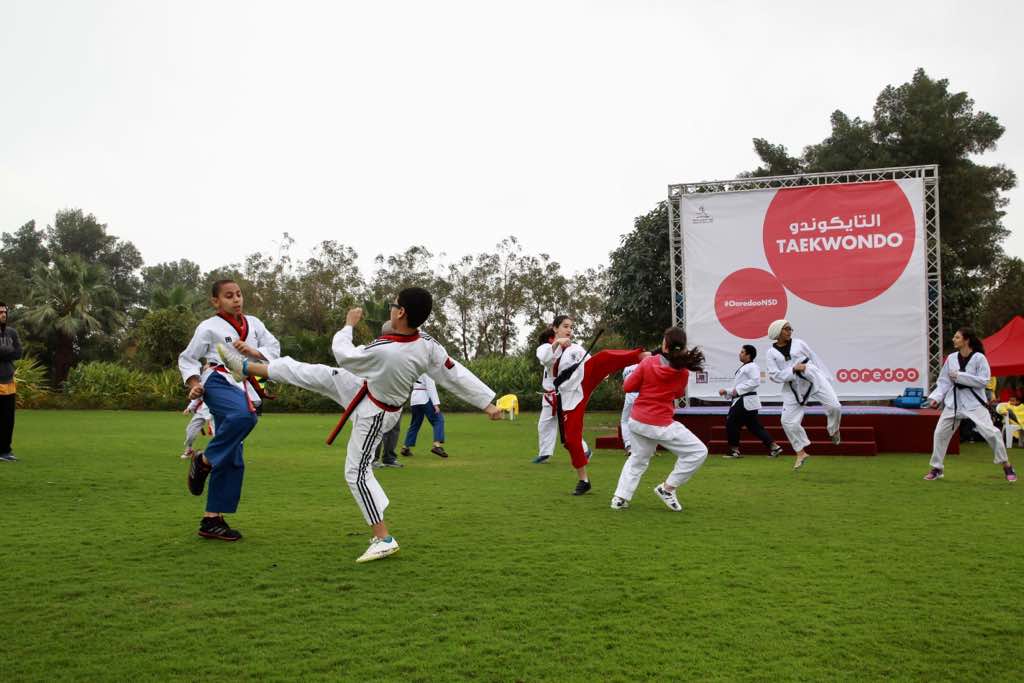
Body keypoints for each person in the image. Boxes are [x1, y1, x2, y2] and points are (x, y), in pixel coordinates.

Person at [219, 287, 503, 563]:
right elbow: (455, 373)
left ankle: (383, 539)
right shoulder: (427, 344)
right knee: (312, 372)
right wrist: (487, 403)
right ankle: (245, 369)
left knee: (356, 473)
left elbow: (345, 354)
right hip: (365, 389)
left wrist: (348, 325)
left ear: (401, 312)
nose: (390, 309)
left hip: (375, 412)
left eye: (393, 305)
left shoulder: (387, 350)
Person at [178, 280, 280, 541]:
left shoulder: (255, 323)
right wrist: (194, 383)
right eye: (228, 296)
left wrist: (254, 350)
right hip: (217, 380)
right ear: (215, 301)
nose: (236, 300)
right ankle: (203, 460)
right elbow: (188, 358)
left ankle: (212, 520)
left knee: (233, 454)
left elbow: (274, 349)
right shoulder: (208, 327)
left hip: (246, 384)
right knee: (244, 417)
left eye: (238, 294)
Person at [610, 327, 708, 511]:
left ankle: (620, 498)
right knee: (698, 452)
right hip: (660, 424)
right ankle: (667, 488)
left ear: (665, 346)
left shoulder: (648, 363)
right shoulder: (682, 372)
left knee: (637, 459)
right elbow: (678, 393)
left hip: (638, 422)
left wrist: (645, 371)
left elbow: (628, 386)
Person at [548, 315, 646, 495]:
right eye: (565, 326)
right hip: (567, 397)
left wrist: (603, 372)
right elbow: (544, 358)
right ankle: (584, 480)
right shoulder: (546, 349)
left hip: (584, 382)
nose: (569, 330)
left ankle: (642, 355)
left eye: (571, 327)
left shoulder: (576, 348)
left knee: (604, 357)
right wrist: (556, 344)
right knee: (571, 440)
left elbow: (590, 362)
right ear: (555, 328)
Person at [924, 327, 1016, 482]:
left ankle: (1006, 465)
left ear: (966, 340)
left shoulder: (979, 358)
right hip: (954, 403)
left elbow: (984, 380)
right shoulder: (951, 358)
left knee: (992, 433)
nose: (954, 339)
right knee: (940, 434)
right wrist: (936, 398)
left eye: (957, 337)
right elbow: (944, 381)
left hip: (974, 403)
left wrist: (960, 376)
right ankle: (937, 468)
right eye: (954, 337)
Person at [765, 320, 842, 470]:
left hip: (813, 377)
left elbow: (815, 358)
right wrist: (793, 369)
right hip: (792, 386)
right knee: (787, 421)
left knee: (835, 406)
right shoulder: (771, 353)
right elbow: (774, 376)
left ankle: (834, 430)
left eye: (790, 328)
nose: (790, 331)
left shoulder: (799, 343)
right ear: (778, 332)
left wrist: (825, 377)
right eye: (787, 329)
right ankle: (800, 452)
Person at [719, 345, 783, 459]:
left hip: (745, 400)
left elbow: (755, 381)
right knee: (755, 427)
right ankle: (774, 447)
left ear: (748, 355)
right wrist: (728, 392)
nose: (740, 353)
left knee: (731, 422)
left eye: (742, 352)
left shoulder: (752, 366)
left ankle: (734, 450)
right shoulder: (746, 367)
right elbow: (739, 387)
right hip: (747, 401)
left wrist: (733, 391)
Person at [401, 373, 448, 458]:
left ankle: (405, 447)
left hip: (414, 398)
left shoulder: (415, 368)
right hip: (424, 396)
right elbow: (431, 387)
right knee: (438, 420)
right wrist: (436, 404)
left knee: (415, 424)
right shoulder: (427, 370)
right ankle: (437, 445)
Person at [532, 326, 559, 464]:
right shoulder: (545, 348)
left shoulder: (567, 350)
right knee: (545, 425)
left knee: (568, 426)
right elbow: (545, 358)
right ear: (551, 339)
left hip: (562, 394)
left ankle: (584, 450)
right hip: (550, 395)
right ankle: (545, 453)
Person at [0, 302, 23, 462]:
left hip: (8, 382)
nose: (3, 314)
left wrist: (4, 355)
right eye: (0, 312)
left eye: (5, 312)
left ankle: (5, 451)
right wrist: (8, 353)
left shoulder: (12, 332)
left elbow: (18, 353)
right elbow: (11, 352)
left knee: (8, 420)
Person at [181, 391, 215, 460]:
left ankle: (220, 453)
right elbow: (197, 398)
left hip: (215, 412)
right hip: (201, 411)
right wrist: (189, 408)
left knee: (217, 434)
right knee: (190, 431)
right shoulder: (202, 384)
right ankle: (189, 450)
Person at [619, 363, 639, 456]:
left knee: (625, 421)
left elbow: (626, 383)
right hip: (642, 395)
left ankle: (628, 445)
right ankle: (650, 448)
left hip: (630, 396)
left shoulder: (626, 368)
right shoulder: (644, 364)